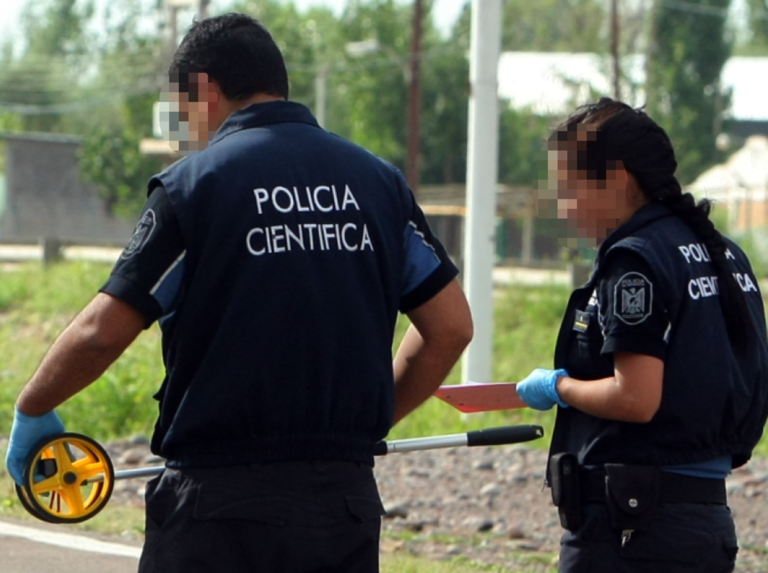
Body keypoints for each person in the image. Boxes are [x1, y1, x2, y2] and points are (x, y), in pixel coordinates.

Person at [5, 13, 473, 573]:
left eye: (182, 110)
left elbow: (102, 332)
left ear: (204, 89)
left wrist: (33, 406)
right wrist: (362, 427)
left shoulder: (195, 186)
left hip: (219, 511)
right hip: (341, 506)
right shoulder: (378, 183)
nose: (186, 128)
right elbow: (451, 328)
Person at [516, 97, 768, 573]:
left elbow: (636, 399)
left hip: (632, 533)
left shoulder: (634, 260)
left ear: (616, 177)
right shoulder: (724, 253)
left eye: (569, 189)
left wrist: (559, 387)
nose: (562, 206)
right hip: (705, 522)